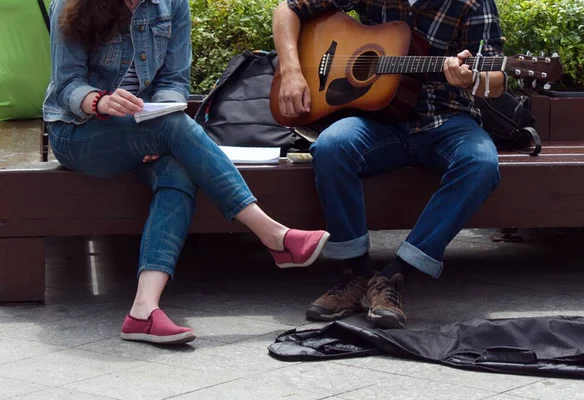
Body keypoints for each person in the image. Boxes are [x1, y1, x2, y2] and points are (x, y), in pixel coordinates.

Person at [43, 0, 330, 345]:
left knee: (178, 170)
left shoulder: (172, 4)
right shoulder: (72, 4)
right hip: (79, 131)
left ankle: (143, 311)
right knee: (171, 127)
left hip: (144, 127)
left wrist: (157, 118)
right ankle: (273, 235)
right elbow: (66, 84)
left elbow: (173, 80)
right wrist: (100, 101)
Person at [272, 0, 507, 328]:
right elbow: (288, 10)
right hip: (377, 120)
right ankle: (354, 274)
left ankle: (395, 276)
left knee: (480, 163)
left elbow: (496, 79)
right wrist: (292, 71)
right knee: (331, 146)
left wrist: (471, 79)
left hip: (445, 120)